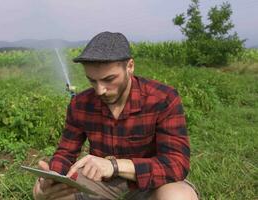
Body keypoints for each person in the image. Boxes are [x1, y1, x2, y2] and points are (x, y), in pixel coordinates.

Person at [33, 31, 199, 200]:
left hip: (150, 182)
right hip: (101, 182)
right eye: (92, 81)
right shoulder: (80, 104)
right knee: (52, 197)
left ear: (130, 67)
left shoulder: (163, 98)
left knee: (178, 196)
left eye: (109, 79)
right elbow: (65, 153)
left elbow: (176, 164)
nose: (100, 90)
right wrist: (52, 178)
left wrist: (114, 165)